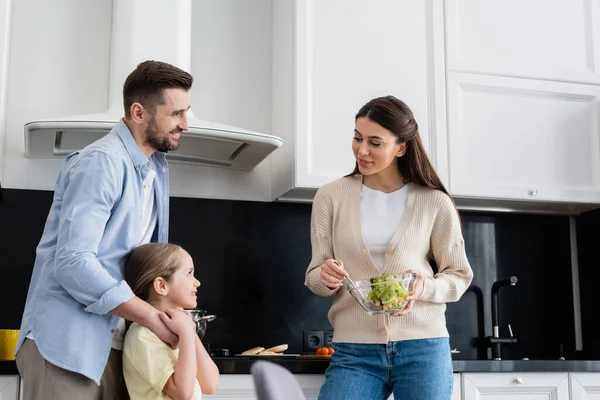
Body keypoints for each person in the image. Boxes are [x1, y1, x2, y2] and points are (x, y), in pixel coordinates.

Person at [15, 60, 194, 400]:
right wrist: (152, 317)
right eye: (175, 114)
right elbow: (73, 262)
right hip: (66, 347)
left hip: (114, 343)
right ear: (139, 112)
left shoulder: (154, 169)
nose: (185, 124)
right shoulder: (102, 162)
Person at [305, 95, 474, 400]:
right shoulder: (330, 196)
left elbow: (459, 276)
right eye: (357, 138)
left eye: (375, 142)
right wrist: (325, 276)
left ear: (401, 147)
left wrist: (425, 287)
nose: (362, 150)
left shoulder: (433, 201)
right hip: (355, 351)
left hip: (424, 347)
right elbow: (315, 277)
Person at [123, 242, 219, 399]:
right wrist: (187, 334)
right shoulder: (142, 336)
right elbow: (182, 393)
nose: (197, 282)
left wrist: (190, 333)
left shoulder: (180, 329)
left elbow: (211, 384)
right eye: (189, 273)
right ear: (161, 285)